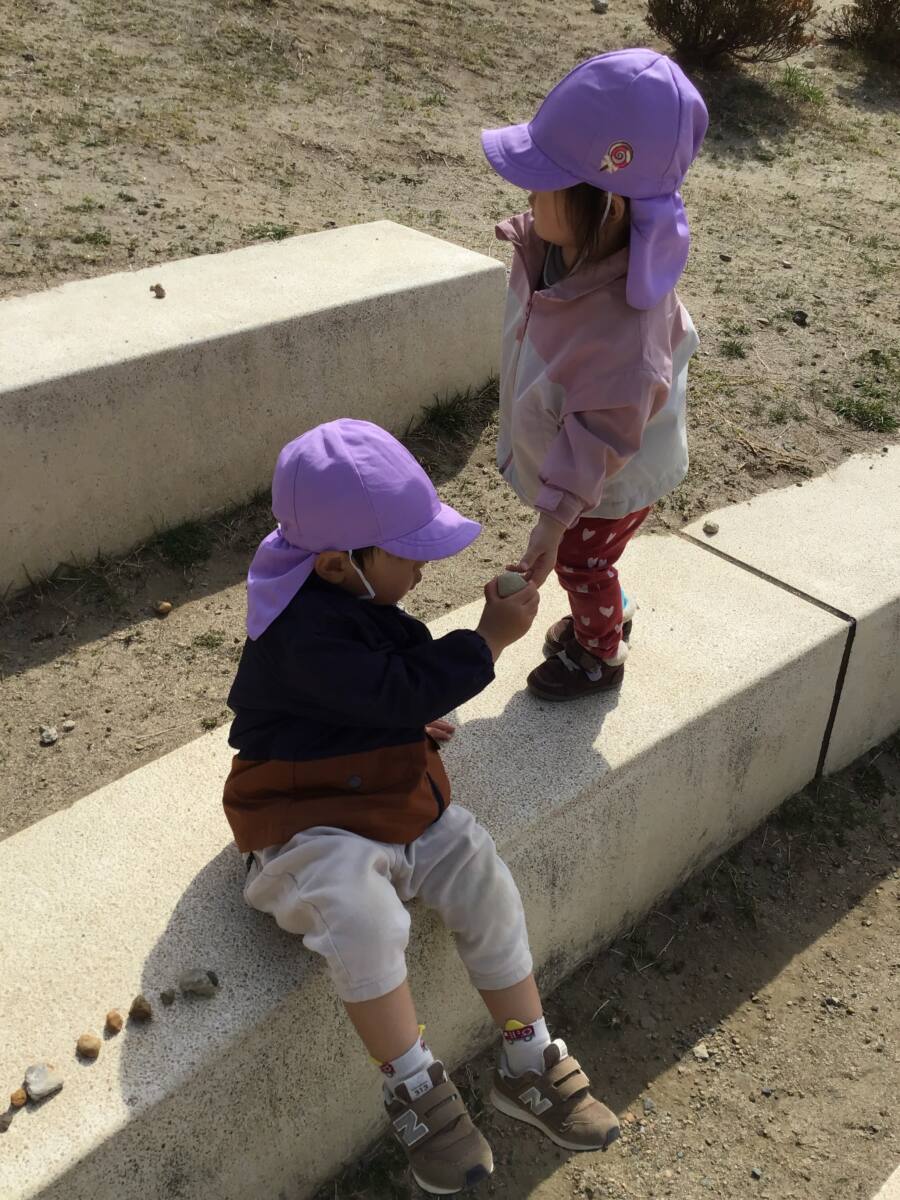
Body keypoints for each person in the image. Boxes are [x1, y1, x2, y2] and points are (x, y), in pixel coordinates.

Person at [222, 419, 620, 1196]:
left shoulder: (343, 591)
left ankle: (528, 1054)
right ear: (337, 564)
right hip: (304, 811)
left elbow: (388, 676)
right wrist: (486, 642)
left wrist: (402, 715)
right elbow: (385, 682)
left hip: (383, 780)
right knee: (363, 917)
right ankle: (413, 1086)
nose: (423, 566)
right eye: (408, 554)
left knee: (478, 867)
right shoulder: (297, 634)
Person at [481, 48, 708, 701]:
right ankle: (609, 608)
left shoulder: (622, 335)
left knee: (582, 561)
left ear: (606, 206)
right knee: (589, 558)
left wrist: (553, 523)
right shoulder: (561, 247)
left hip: (607, 479)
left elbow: (599, 437)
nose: (527, 195)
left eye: (543, 182)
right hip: (581, 462)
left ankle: (599, 653)